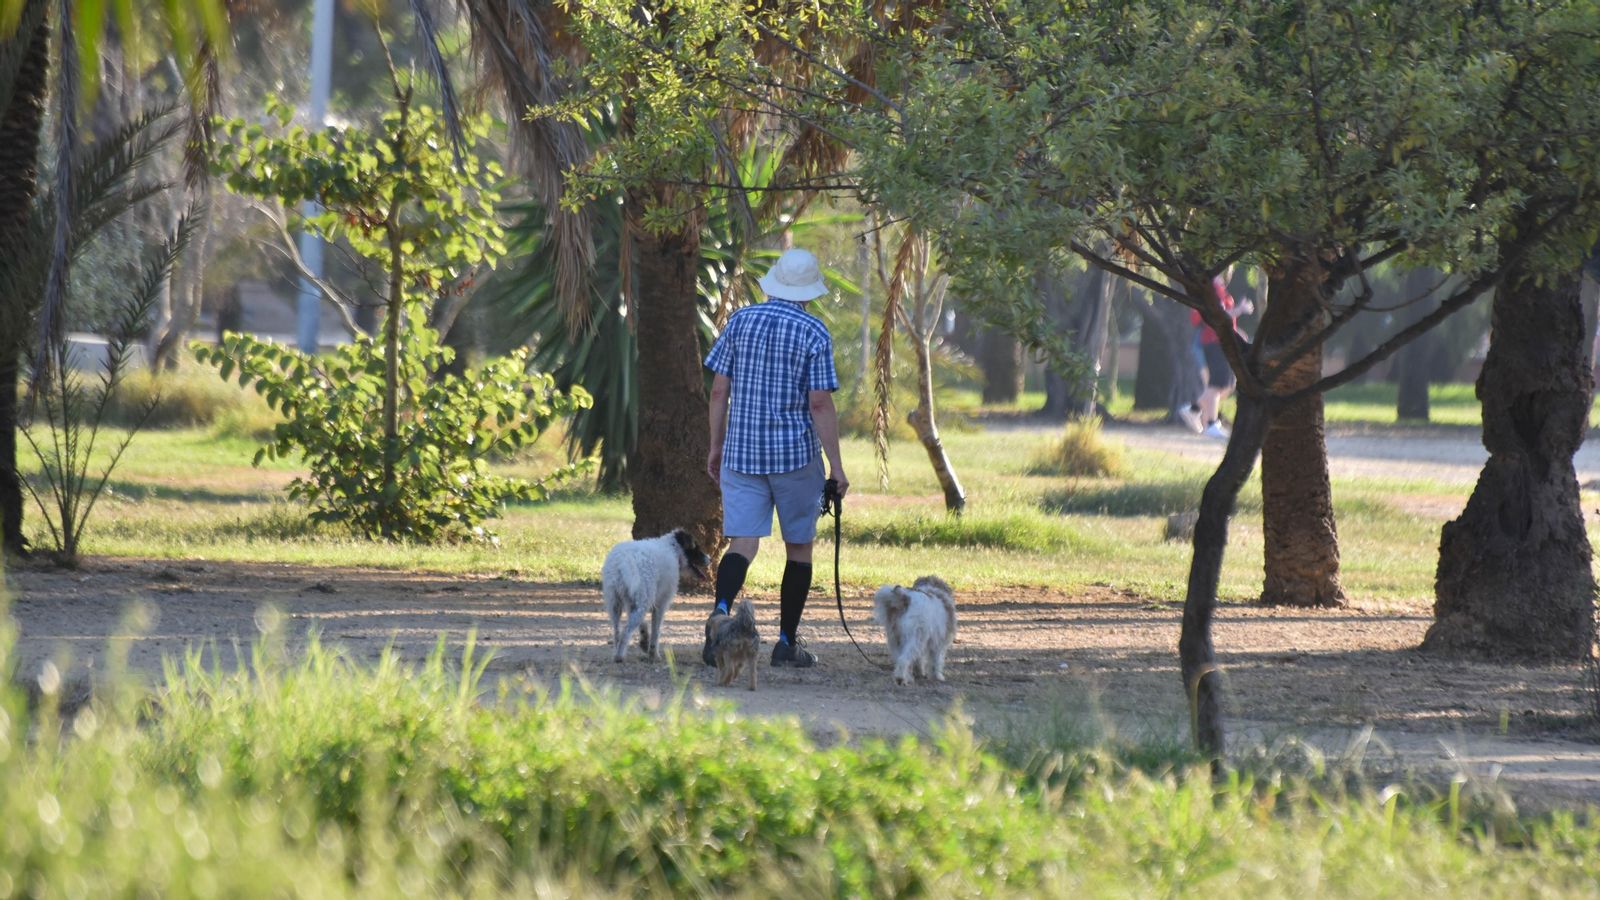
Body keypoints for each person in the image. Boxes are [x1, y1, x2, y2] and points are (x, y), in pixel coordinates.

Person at [703, 248, 849, 668]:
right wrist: (836, 468)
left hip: (741, 453)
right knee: (798, 547)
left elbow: (718, 391)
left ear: (774, 283)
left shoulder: (740, 321)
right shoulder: (814, 332)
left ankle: (719, 615)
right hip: (794, 459)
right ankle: (786, 644)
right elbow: (819, 405)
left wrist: (717, 446)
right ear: (807, 291)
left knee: (742, 541)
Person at [1179, 269, 1253, 439]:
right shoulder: (1214, 290)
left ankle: (1195, 410)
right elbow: (1219, 316)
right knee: (1217, 384)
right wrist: (1240, 309)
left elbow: (1226, 320)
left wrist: (1236, 332)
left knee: (1225, 385)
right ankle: (1209, 422)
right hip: (1214, 341)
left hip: (1219, 341)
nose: (1229, 274)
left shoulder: (1219, 290)